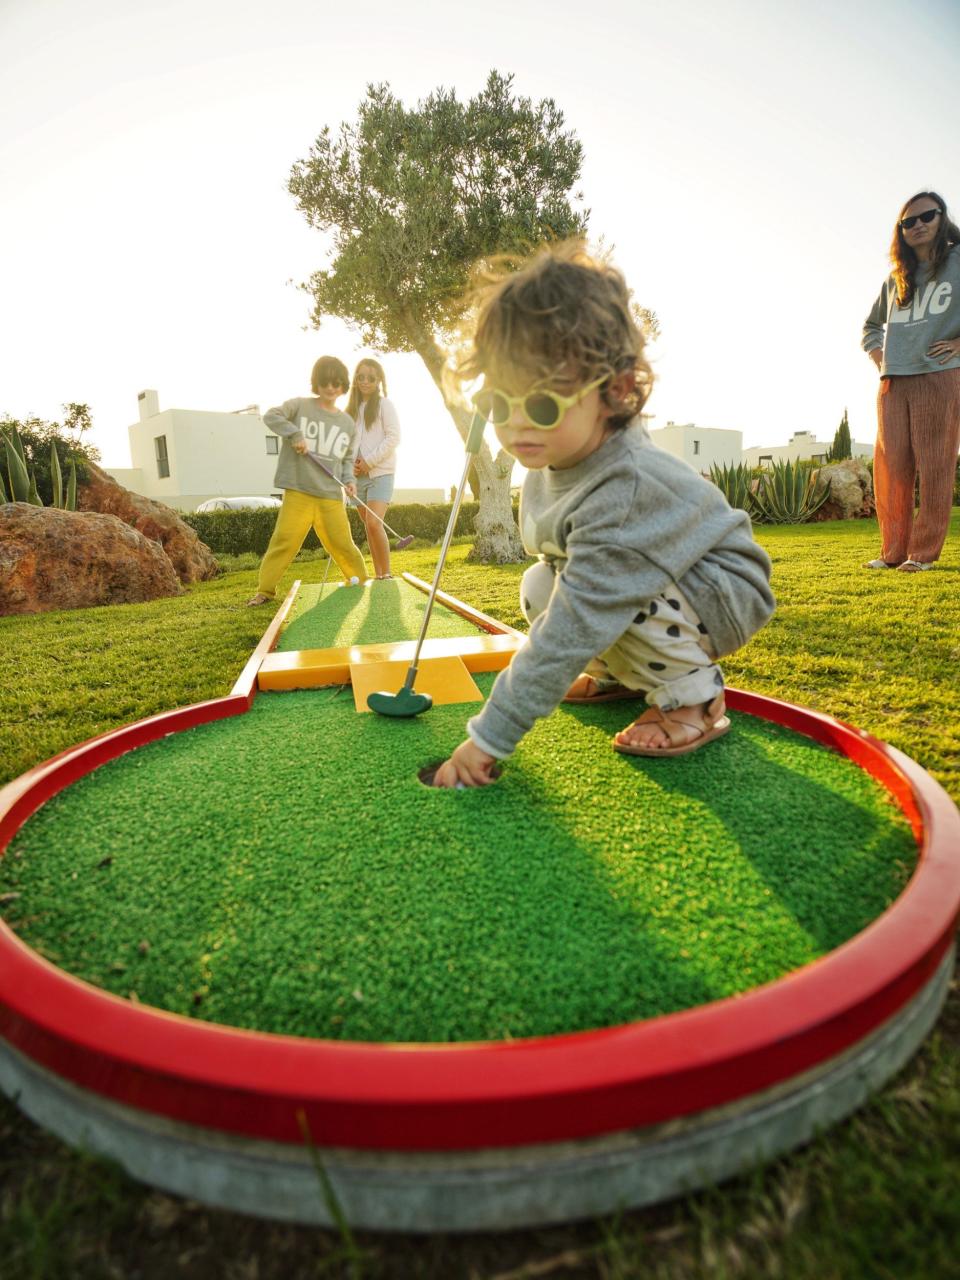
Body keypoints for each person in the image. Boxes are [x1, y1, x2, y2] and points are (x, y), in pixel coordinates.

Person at [432, 242, 775, 788]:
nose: (517, 424)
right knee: (540, 584)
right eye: (497, 403)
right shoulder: (554, 451)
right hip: (661, 579)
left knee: (597, 600)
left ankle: (694, 700)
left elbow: (574, 623)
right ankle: (615, 676)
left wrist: (489, 736)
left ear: (614, 392)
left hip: (720, 592)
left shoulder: (624, 488)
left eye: (542, 404)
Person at [861, 190, 960, 572]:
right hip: (893, 382)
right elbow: (870, 327)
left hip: (939, 376)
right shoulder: (895, 279)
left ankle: (922, 555)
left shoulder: (956, 263)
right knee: (892, 468)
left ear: (942, 219)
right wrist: (880, 356)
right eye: (908, 222)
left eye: (926, 217)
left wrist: (956, 343)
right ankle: (893, 553)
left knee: (935, 466)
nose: (917, 226)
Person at [246, 356, 367, 606]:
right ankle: (265, 591)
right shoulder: (299, 406)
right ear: (316, 383)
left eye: (336, 383)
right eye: (325, 382)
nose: (330, 388)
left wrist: (349, 480)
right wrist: (294, 433)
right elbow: (271, 416)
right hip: (299, 491)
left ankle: (362, 582)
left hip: (330, 495)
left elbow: (346, 459)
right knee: (284, 541)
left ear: (343, 385)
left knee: (343, 543)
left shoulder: (347, 424)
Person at [345, 358, 401, 579]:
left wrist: (369, 461)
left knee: (373, 523)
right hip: (357, 477)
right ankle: (379, 575)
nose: (365, 381)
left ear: (378, 380)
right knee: (369, 528)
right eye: (361, 377)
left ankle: (386, 573)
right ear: (355, 380)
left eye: (370, 377)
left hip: (380, 473)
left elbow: (394, 437)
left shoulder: (385, 405)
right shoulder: (350, 410)